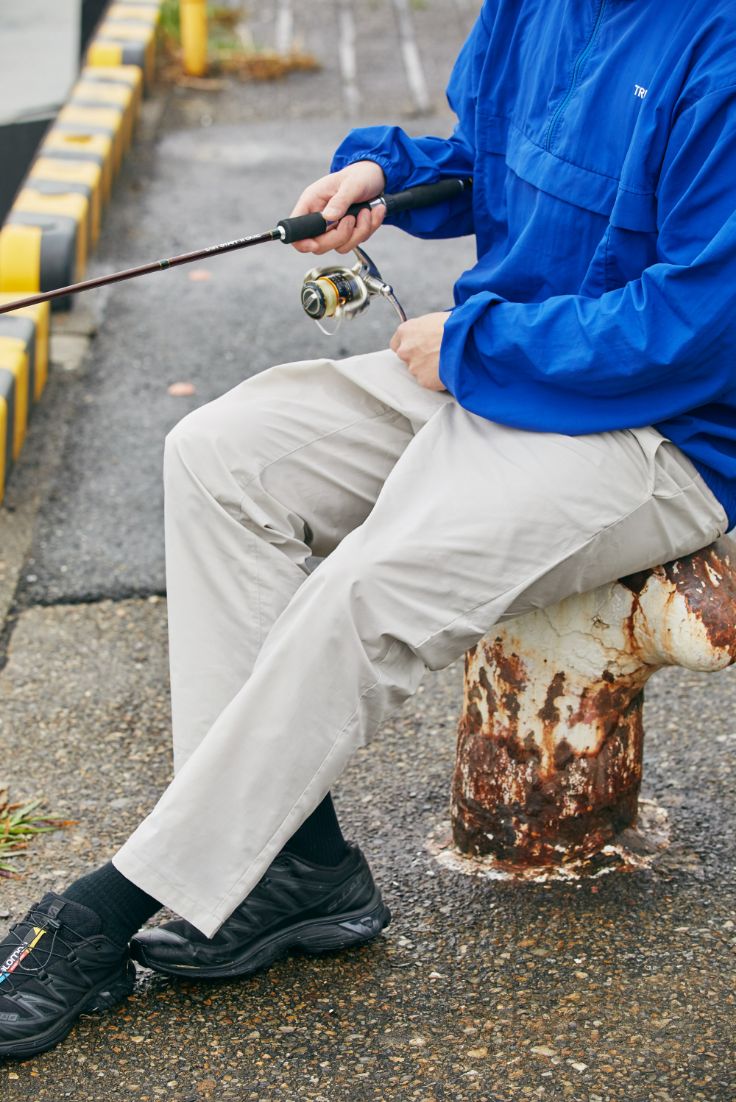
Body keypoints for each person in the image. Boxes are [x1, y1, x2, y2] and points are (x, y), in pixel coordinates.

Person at [2, 0, 736, 1060]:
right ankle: (287, 871)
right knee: (220, 453)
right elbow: (487, 163)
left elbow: (701, 327)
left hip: (655, 435)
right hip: (496, 375)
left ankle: (114, 905)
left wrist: (479, 346)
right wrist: (386, 181)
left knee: (367, 588)